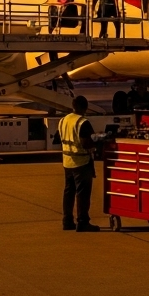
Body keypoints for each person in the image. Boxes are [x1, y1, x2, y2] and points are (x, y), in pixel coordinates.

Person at [59, 95, 99, 232]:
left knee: (68, 192)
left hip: (67, 161)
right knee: (82, 194)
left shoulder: (64, 120)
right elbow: (86, 143)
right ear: (85, 107)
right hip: (81, 162)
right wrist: (97, 143)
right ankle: (83, 222)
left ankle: (67, 221)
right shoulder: (82, 122)